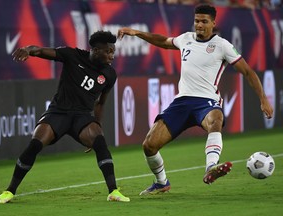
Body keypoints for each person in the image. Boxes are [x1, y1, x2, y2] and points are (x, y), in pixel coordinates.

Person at [117, 4, 273, 195]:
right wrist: (136, 32)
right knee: (149, 145)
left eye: (204, 21)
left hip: (205, 102)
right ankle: (161, 182)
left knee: (216, 119)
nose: (199, 25)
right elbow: (162, 41)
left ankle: (211, 167)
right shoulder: (185, 39)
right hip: (181, 102)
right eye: (197, 21)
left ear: (213, 23)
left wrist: (263, 99)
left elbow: (248, 72)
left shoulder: (222, 45)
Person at [0, 31, 130, 203]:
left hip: (81, 117)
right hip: (58, 113)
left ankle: (114, 191)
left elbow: (101, 103)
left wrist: (97, 125)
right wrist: (28, 49)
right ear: (96, 50)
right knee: (35, 144)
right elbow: (41, 51)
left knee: (100, 141)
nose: (112, 56)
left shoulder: (110, 75)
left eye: (113, 52)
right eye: (109, 51)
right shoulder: (72, 55)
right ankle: (9, 191)